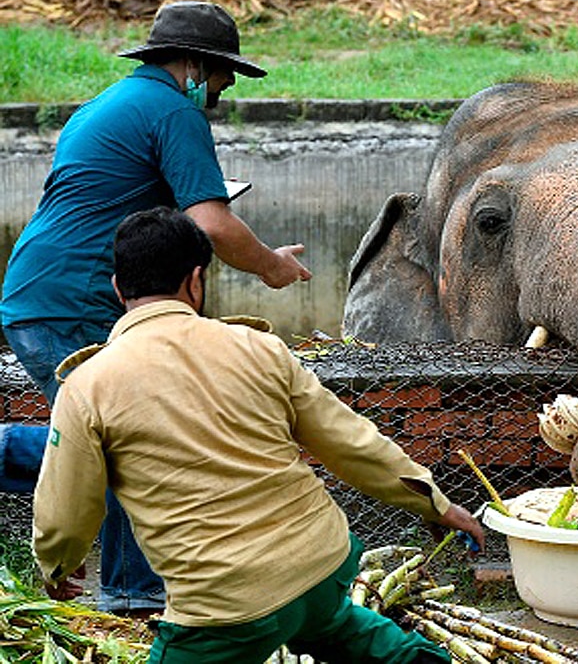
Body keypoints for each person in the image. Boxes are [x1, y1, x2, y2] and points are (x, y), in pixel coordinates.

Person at [32, 207, 484, 663]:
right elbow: (349, 440)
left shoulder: (88, 386)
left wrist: (57, 564)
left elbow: (67, 505)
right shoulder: (260, 348)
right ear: (195, 280)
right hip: (321, 562)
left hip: (225, 606)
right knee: (334, 625)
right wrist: (434, 501)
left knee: (293, 624)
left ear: (116, 289)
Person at [1, 1, 311, 614]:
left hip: (45, 291)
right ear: (195, 65)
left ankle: (133, 592)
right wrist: (272, 265)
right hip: (76, 299)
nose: (222, 92)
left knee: (123, 437)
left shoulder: (108, 104)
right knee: (120, 440)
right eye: (222, 77)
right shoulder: (174, 110)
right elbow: (211, 221)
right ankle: (132, 593)